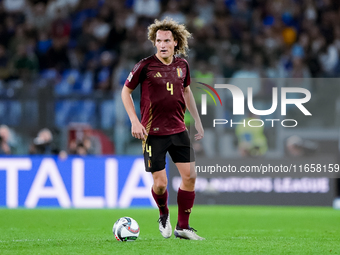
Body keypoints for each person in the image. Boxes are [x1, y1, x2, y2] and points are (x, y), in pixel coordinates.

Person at [121, 18, 204, 240]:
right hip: (152, 133)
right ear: (154, 42)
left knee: (190, 176)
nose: (163, 44)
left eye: (167, 40)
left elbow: (186, 92)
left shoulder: (182, 65)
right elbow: (125, 92)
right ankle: (163, 213)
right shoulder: (145, 66)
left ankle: (183, 227)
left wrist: (196, 119)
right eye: (159, 41)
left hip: (178, 130)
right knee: (161, 185)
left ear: (175, 42)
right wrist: (134, 121)